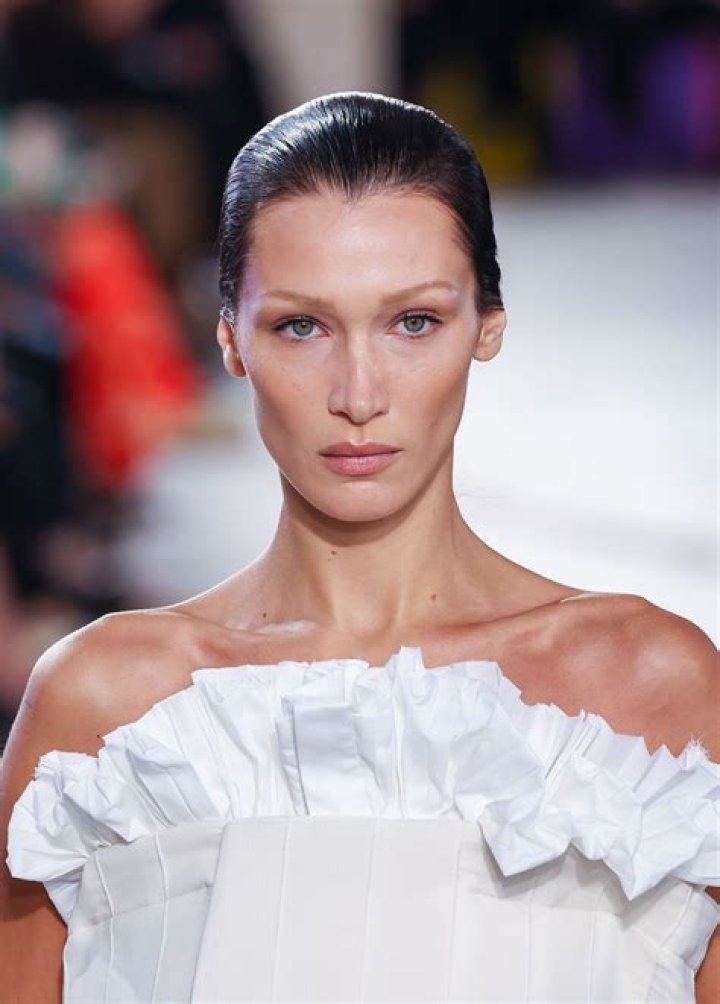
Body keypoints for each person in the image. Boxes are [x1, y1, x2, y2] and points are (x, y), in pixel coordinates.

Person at [1, 92, 718, 1003]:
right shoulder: (106, 712)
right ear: (231, 341)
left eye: (413, 322)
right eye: (301, 326)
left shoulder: (649, 694)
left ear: (487, 326)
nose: (359, 393)